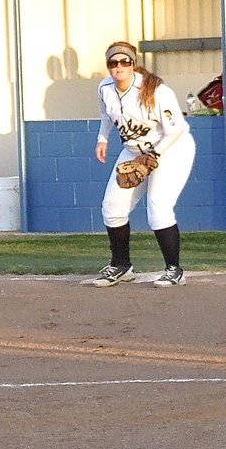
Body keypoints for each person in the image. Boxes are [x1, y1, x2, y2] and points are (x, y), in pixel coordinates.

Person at [92, 40, 195, 288]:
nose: (119, 67)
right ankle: (121, 265)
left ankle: (174, 269)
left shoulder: (154, 90)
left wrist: (154, 155)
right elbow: (106, 115)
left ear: (133, 64)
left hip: (171, 148)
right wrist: (102, 139)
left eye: (124, 61)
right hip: (133, 151)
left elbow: (178, 128)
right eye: (113, 62)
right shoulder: (105, 88)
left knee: (158, 207)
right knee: (112, 206)